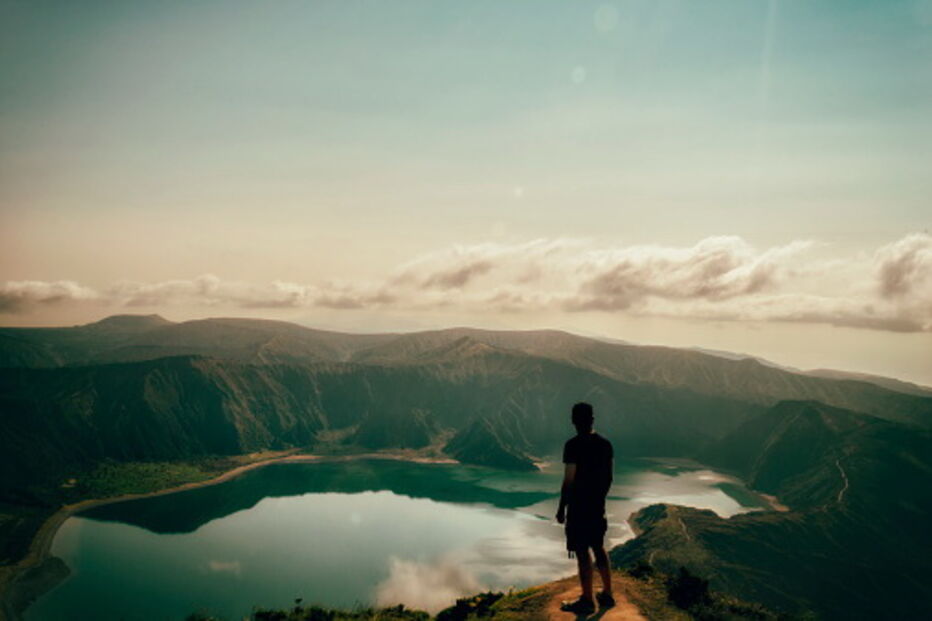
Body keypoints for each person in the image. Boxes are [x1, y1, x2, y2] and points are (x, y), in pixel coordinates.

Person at [556, 402, 615, 614]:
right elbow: (609, 478)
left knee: (582, 551)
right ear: (592, 419)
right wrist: (598, 499)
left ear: (573, 421)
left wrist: (562, 507)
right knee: (598, 546)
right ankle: (607, 594)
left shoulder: (572, 445)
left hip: (578, 507)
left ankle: (587, 600)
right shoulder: (605, 445)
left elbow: (569, 480)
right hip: (596, 506)